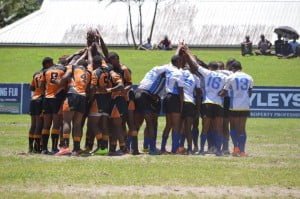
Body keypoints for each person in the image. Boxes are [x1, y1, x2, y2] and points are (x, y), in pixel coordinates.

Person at [183, 48, 228, 156]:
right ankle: (218, 150)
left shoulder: (207, 73)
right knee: (218, 129)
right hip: (218, 104)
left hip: (207, 102)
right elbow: (225, 91)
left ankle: (202, 150)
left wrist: (187, 52)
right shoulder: (225, 76)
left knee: (205, 128)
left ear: (210, 68)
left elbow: (195, 65)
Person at [54, 57, 91, 156]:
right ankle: (77, 148)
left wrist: (57, 81)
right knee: (77, 124)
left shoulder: (73, 67)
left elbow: (65, 78)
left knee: (66, 121)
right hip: (83, 97)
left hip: (72, 94)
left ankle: (65, 147)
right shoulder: (88, 73)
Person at [219, 61, 254, 157]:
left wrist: (218, 94)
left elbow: (224, 92)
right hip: (245, 105)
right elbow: (250, 92)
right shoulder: (249, 77)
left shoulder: (230, 77)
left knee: (233, 127)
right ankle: (242, 151)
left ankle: (235, 149)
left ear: (233, 68)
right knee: (242, 128)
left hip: (234, 105)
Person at [107, 52, 139, 155]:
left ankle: (134, 148)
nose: (109, 62)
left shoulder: (124, 69)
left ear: (116, 59)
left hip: (128, 98)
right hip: (118, 98)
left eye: (111, 60)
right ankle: (118, 147)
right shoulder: (111, 70)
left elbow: (129, 84)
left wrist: (123, 91)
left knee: (130, 122)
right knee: (118, 124)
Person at [41, 57, 66, 154]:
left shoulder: (46, 72)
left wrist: (45, 94)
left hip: (47, 99)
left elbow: (42, 86)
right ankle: (54, 148)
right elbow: (64, 86)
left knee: (46, 124)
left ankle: (44, 149)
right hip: (57, 99)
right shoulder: (62, 71)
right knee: (56, 124)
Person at [178, 66, 201, 155]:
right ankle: (190, 149)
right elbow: (198, 94)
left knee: (179, 127)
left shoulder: (180, 73)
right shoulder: (196, 77)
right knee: (188, 128)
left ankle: (179, 147)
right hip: (190, 102)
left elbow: (180, 90)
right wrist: (198, 109)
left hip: (180, 102)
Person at [28, 59, 48, 153]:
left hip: (33, 99)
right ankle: (37, 148)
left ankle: (30, 147)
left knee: (33, 124)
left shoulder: (36, 74)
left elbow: (31, 87)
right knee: (39, 125)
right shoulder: (46, 73)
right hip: (41, 100)